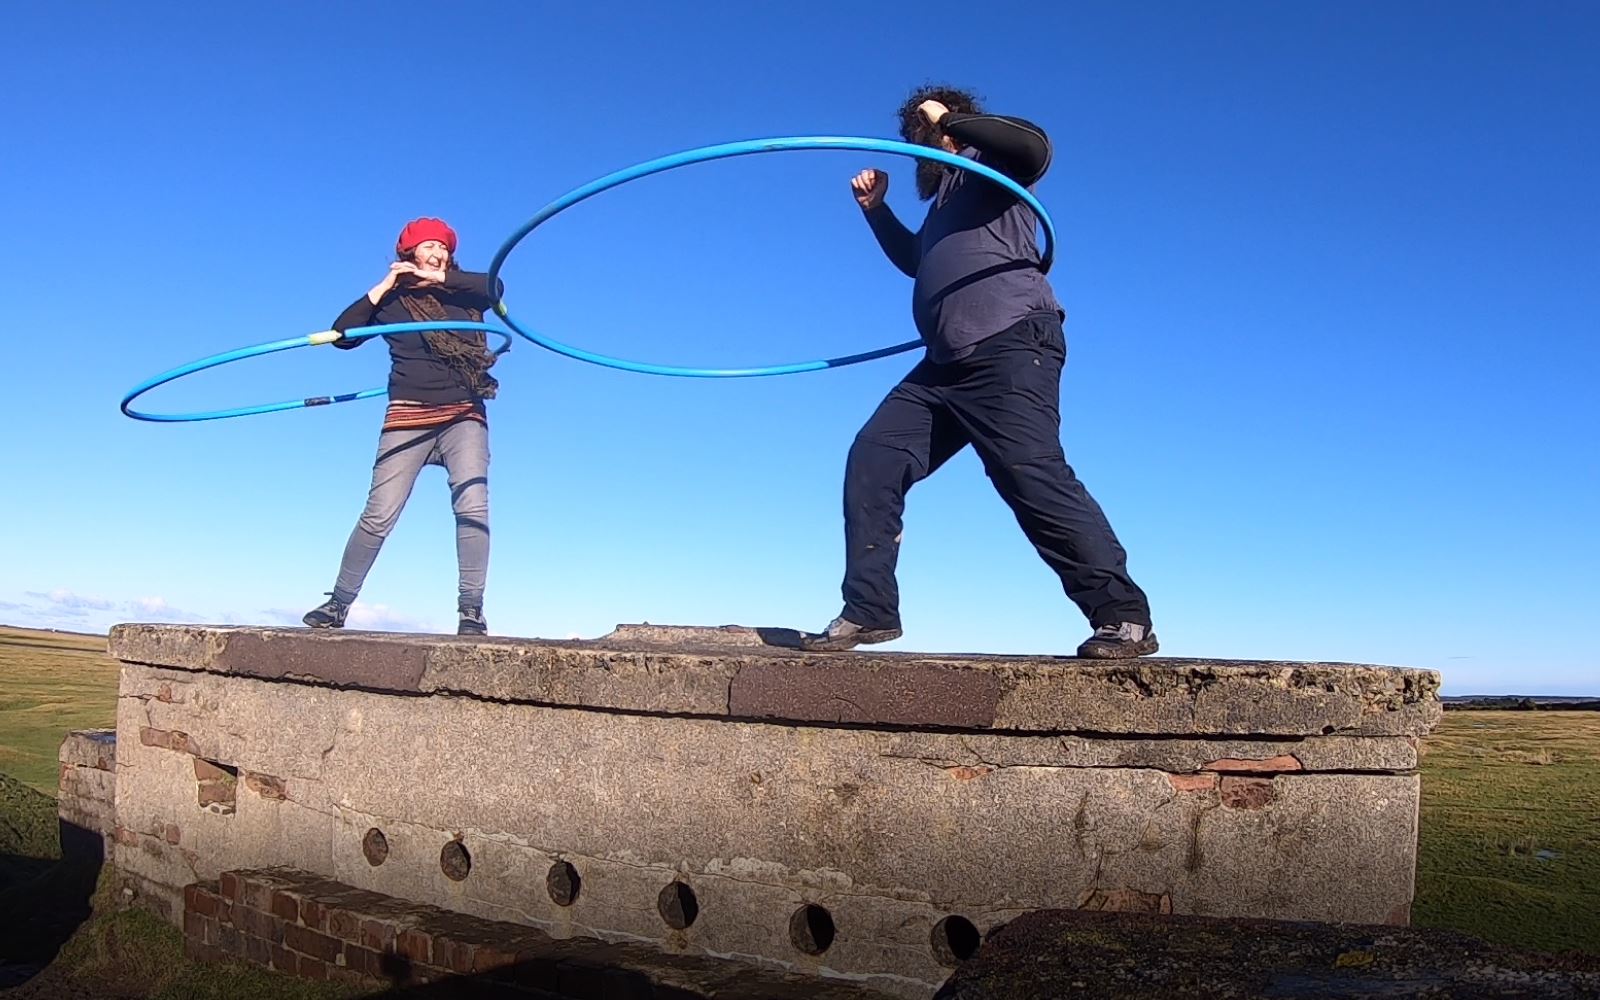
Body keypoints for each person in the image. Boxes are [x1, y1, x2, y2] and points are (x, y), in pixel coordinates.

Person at [801, 87, 1158, 658]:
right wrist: (875, 210)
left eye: (927, 130)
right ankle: (869, 610)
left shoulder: (994, 166)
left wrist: (953, 121)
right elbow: (916, 261)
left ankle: (1122, 615)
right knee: (874, 458)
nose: (924, 141)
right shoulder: (943, 202)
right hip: (943, 365)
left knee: (1029, 474)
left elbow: (1034, 145)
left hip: (1011, 343)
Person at [302, 217, 503, 636]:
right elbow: (343, 334)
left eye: (443, 247)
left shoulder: (464, 292)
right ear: (408, 253)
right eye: (428, 246)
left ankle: (471, 611)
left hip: (463, 413)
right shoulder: (393, 302)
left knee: (472, 508)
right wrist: (384, 286)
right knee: (379, 513)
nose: (437, 253)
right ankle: (337, 604)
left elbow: (495, 288)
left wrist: (441, 279)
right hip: (408, 414)